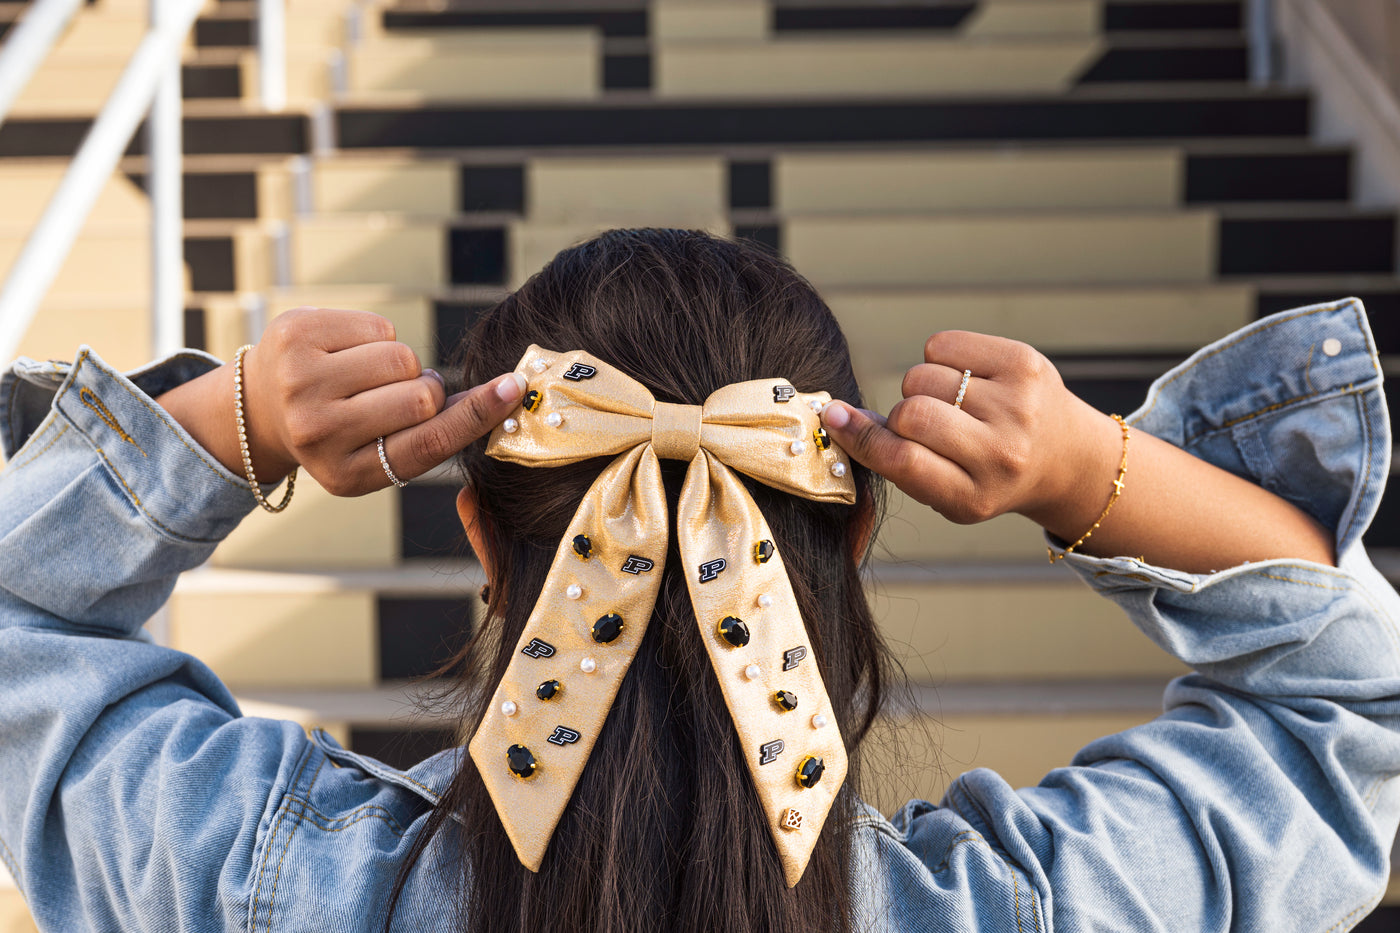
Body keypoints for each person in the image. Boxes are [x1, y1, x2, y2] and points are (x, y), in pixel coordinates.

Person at [0, 227, 1395, 933]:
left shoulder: (273, 881)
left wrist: (229, 423)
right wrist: (1093, 471)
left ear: (482, 548)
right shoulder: (1025, 909)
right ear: (855, 543)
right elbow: (1349, 716)